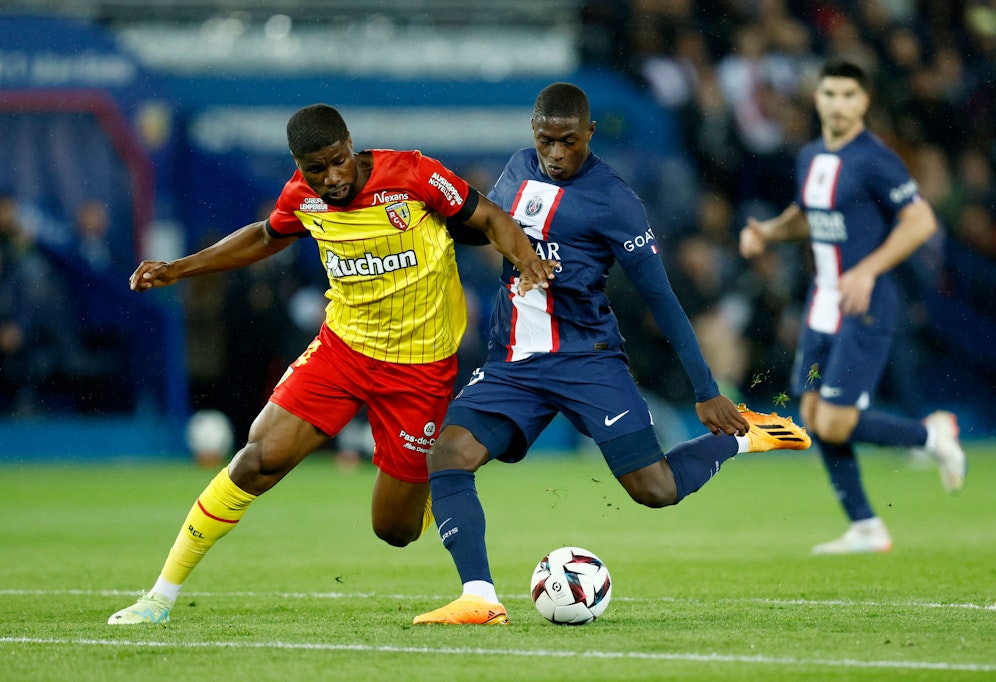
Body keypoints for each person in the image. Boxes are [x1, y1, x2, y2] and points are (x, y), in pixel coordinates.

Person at [108, 103, 555, 625]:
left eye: (337, 161)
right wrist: (180, 268)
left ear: (350, 144)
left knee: (395, 530)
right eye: (315, 169)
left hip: (420, 369)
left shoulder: (411, 174)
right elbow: (265, 235)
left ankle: (436, 479)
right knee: (257, 459)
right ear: (299, 165)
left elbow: (489, 217)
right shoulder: (303, 196)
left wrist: (527, 260)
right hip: (342, 351)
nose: (331, 177)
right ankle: (159, 597)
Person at [412, 82, 811, 626]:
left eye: (568, 142)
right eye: (546, 140)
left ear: (590, 134)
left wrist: (706, 389)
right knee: (449, 456)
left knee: (655, 490)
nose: (555, 154)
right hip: (511, 365)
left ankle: (743, 437)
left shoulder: (616, 200)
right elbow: (486, 232)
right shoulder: (517, 168)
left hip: (587, 361)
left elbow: (662, 299)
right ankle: (479, 597)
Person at [738, 60, 967, 556]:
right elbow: (808, 215)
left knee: (836, 422)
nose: (838, 103)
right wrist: (768, 233)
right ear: (817, 98)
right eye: (830, 93)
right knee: (812, 412)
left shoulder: (875, 159)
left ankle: (929, 435)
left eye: (848, 95)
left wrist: (867, 269)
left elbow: (921, 220)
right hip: (822, 304)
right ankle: (866, 525)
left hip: (865, 304)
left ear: (864, 102)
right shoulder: (813, 155)